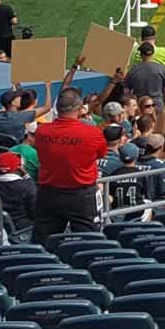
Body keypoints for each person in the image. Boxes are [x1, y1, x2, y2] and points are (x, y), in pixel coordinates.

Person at [30, 89, 107, 240]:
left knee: (44, 241)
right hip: (81, 195)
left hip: (49, 193)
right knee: (89, 242)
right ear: (79, 110)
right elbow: (100, 153)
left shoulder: (42, 132)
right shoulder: (92, 133)